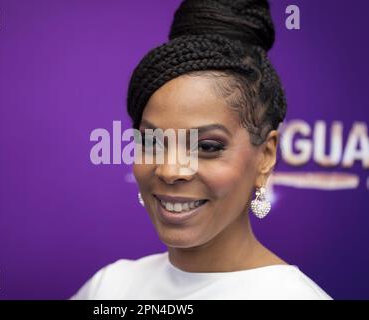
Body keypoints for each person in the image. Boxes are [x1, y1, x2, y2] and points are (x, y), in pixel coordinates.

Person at [71, 0, 332, 300]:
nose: (170, 171)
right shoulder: (110, 287)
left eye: (207, 146)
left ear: (266, 156)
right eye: (152, 142)